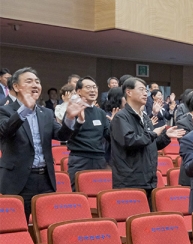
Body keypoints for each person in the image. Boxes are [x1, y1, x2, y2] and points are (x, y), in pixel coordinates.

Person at [0, 67, 85, 220]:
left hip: (45, 179)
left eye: (37, 82)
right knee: (18, 226)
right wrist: (25, 109)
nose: (35, 85)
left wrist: (71, 118)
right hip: (18, 180)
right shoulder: (5, 110)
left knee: (47, 226)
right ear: (16, 87)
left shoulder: (46, 113)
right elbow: (5, 131)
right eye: (29, 81)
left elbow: (61, 135)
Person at [110, 77, 185, 204]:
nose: (146, 93)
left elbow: (151, 144)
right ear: (129, 92)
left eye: (146, 91)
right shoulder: (121, 117)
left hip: (149, 178)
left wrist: (166, 136)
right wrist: (153, 133)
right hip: (130, 181)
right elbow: (130, 141)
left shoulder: (144, 116)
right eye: (141, 90)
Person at [66, 77, 112, 190]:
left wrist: (115, 124)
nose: (92, 90)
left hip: (99, 159)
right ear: (78, 91)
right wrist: (78, 121)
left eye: (94, 87)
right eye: (88, 87)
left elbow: (109, 135)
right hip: (80, 158)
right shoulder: (73, 109)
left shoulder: (100, 112)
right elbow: (67, 134)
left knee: (100, 194)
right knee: (79, 195)